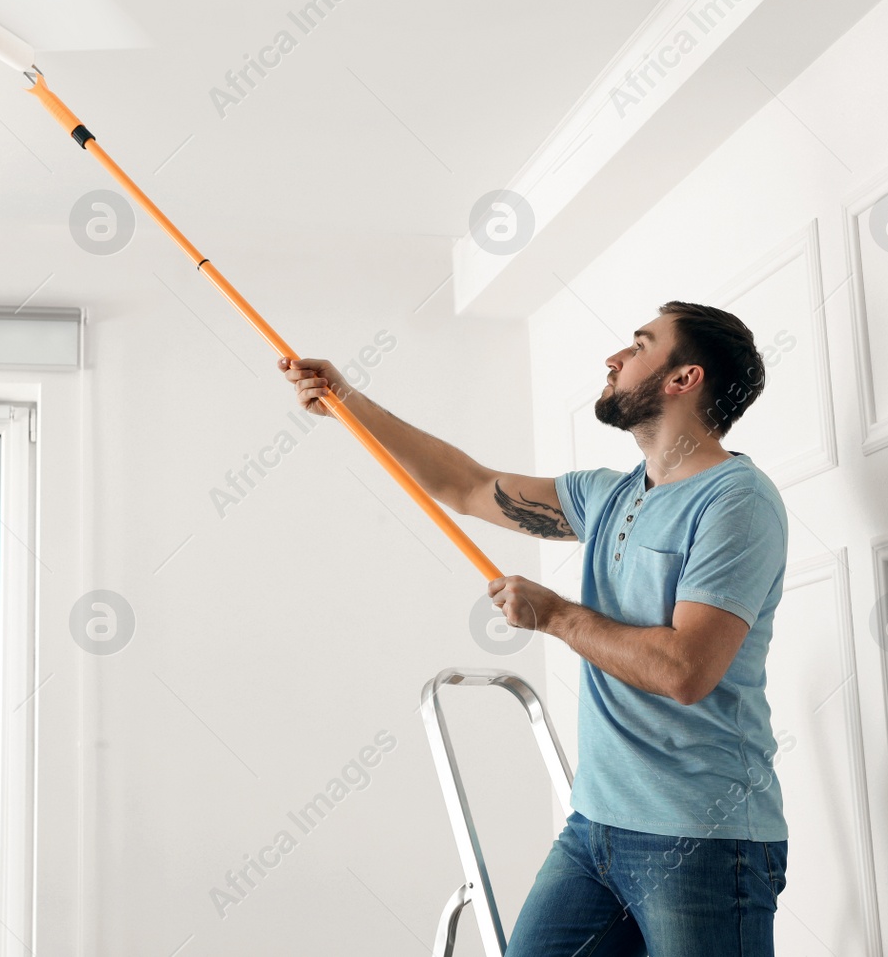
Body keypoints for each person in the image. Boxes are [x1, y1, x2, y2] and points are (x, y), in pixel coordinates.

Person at [278, 300, 790, 955]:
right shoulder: (609, 494)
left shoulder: (736, 502)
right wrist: (349, 402)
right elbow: (467, 484)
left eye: (637, 345)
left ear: (683, 379)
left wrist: (554, 615)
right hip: (597, 826)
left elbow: (684, 669)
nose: (614, 358)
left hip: (704, 840)